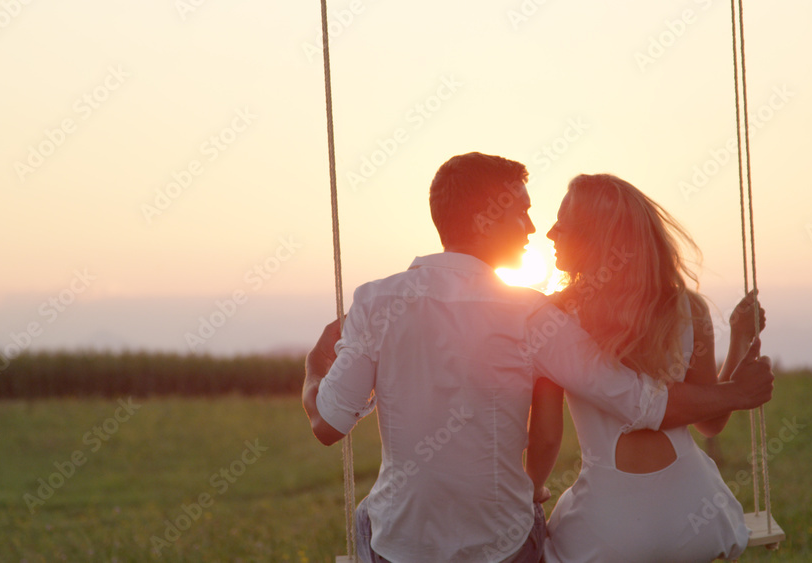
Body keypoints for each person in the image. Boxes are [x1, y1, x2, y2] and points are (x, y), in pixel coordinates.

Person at [302, 153, 773, 563]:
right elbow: (642, 403)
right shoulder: (537, 315)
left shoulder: (375, 301)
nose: (536, 227)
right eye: (523, 212)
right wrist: (736, 387)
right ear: (486, 219)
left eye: (547, 219)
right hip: (529, 544)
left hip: (406, 548)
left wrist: (313, 370)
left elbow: (327, 426)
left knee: (373, 515)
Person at [530, 173, 760, 562]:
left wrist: (529, 491)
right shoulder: (688, 308)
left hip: (611, 529)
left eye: (563, 223)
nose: (551, 233)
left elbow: (548, 437)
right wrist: (740, 339)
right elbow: (711, 422)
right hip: (696, 513)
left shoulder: (556, 321)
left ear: (594, 236)